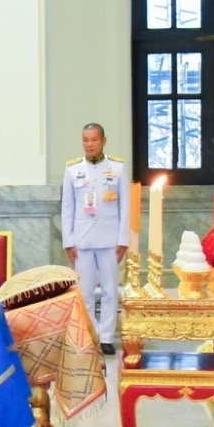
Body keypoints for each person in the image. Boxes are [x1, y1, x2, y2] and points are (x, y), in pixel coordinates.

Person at [60, 123, 130, 354]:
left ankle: (107, 336)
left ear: (103, 141)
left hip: (110, 240)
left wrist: (123, 239)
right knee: (85, 291)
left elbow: (125, 206)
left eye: (94, 140)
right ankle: (92, 334)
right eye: (85, 140)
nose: (89, 144)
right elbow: (67, 208)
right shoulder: (72, 169)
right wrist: (68, 242)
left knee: (110, 289)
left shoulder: (118, 168)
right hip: (83, 240)